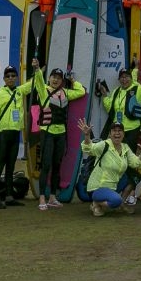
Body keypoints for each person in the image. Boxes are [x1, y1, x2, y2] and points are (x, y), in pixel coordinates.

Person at [0, 60, 41, 208]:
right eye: (8, 76)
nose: (10, 78)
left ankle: (9, 197)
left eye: (13, 75)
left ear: (16, 77)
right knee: (0, 165)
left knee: (11, 166)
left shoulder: (19, 91)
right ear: (4, 79)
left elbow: (34, 83)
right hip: (2, 134)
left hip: (15, 133)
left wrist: (37, 70)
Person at [34, 66, 86, 210]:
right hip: (47, 133)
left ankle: (52, 197)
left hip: (61, 134)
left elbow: (81, 91)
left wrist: (72, 80)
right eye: (53, 77)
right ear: (49, 78)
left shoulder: (65, 92)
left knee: (57, 165)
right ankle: (42, 198)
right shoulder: (43, 90)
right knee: (46, 165)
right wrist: (37, 69)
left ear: (62, 80)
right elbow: (38, 80)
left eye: (58, 78)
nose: (56, 80)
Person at [76, 117, 141, 216]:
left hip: (113, 185)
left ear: (123, 134)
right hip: (98, 187)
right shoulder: (104, 145)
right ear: (110, 134)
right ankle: (96, 203)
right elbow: (89, 149)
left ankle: (118, 204)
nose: (117, 133)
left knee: (134, 176)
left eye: (119, 131)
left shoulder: (125, 147)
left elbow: (136, 163)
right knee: (116, 201)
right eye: (114, 131)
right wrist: (87, 135)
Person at [96, 65, 141, 203]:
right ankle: (119, 193)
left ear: (131, 78)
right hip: (118, 131)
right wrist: (104, 95)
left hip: (131, 130)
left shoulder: (138, 89)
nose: (124, 80)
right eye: (122, 77)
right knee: (117, 161)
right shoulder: (116, 91)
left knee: (129, 161)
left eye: (127, 77)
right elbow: (110, 108)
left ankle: (130, 193)